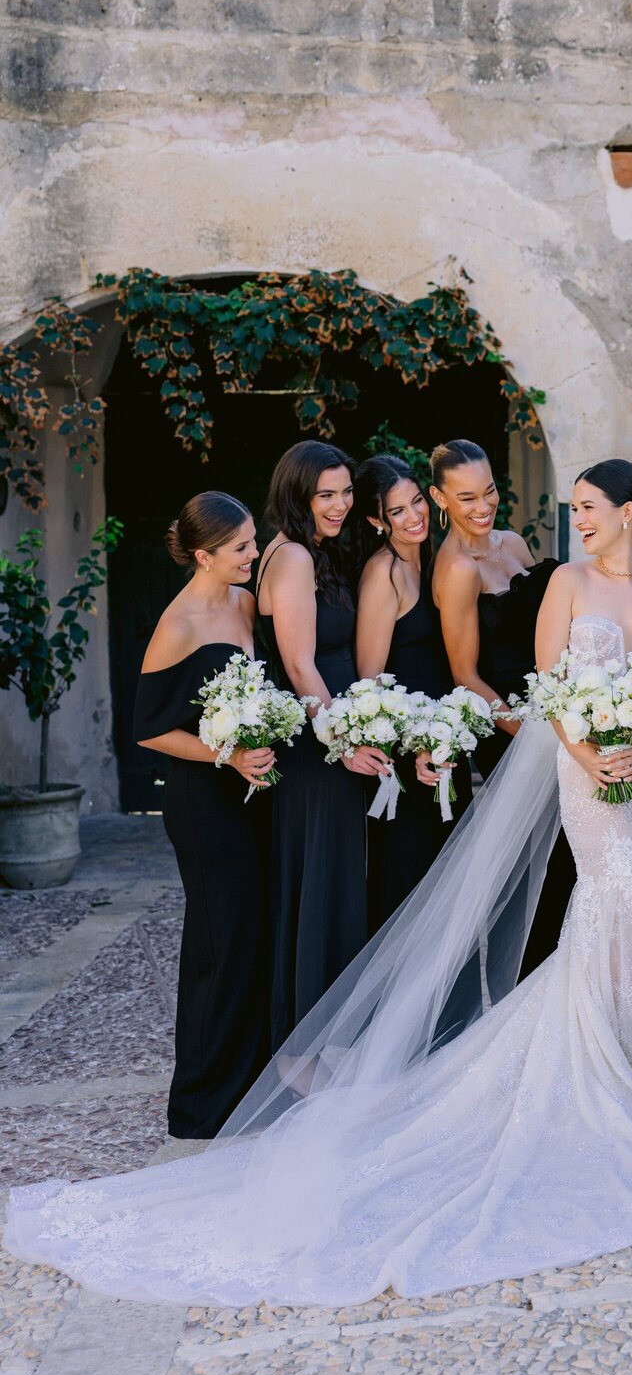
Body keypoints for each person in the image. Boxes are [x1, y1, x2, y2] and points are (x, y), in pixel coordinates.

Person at [5, 458, 632, 1306]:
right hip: (584, 759)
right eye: (569, 506)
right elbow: (550, 686)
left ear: (626, 512)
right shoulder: (559, 580)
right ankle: (601, 1051)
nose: (573, 519)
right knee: (610, 892)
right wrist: (592, 748)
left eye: (585, 507)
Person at [132, 493, 273, 1138]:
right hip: (202, 800)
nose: (253, 554)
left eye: (252, 540)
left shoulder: (245, 603)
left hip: (253, 794)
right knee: (218, 942)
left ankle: (250, 1081)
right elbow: (149, 729)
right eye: (241, 547)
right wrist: (229, 754)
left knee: (254, 934)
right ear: (202, 555)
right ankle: (200, 1101)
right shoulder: (178, 623)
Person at [256, 440, 390, 1044]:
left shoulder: (311, 552)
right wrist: (340, 744)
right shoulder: (292, 560)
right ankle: (303, 1054)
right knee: (318, 892)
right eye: (325, 494)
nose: (339, 505)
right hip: (314, 755)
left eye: (345, 492)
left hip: (323, 743)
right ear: (297, 494)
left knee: (330, 888)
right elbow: (301, 665)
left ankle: (323, 1044)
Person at [430, 436, 571, 973]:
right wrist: (534, 733)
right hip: (508, 729)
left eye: (488, 492)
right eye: (466, 498)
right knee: (537, 867)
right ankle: (529, 990)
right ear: (440, 498)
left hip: (551, 712)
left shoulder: (512, 543)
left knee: (570, 855)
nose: (483, 506)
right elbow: (465, 675)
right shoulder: (458, 569)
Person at [353, 455, 470, 936]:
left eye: (417, 500)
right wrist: (415, 745)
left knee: (452, 889)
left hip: (447, 746)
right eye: (397, 511)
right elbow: (369, 682)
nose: (414, 516)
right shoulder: (383, 574)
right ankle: (399, 1012)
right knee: (411, 888)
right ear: (377, 521)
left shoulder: (439, 557)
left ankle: (451, 1013)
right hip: (407, 762)